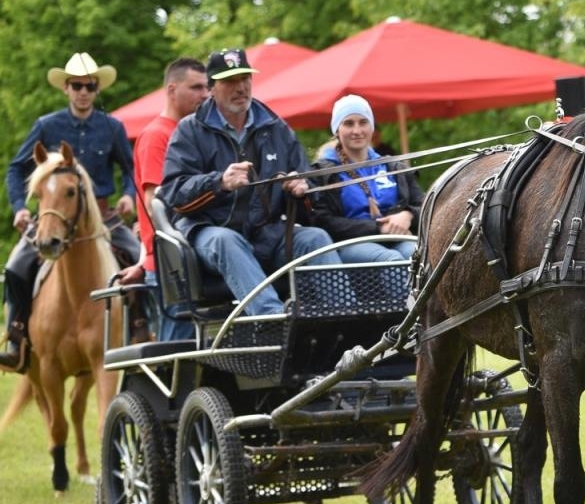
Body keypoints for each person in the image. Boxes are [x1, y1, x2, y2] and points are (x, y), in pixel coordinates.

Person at [158, 48, 343, 317]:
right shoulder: (190, 130)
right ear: (212, 87)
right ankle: (272, 320)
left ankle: (346, 319)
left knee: (315, 238)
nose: (241, 87)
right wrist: (219, 182)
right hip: (211, 231)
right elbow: (174, 194)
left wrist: (302, 189)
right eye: (230, 81)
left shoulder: (276, 127)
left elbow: (309, 191)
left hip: (267, 233)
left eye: (245, 78)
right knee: (227, 241)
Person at [1, 52, 140, 370]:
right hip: (53, 217)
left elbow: (131, 169)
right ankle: (16, 336)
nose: (83, 92)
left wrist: (130, 196)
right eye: (77, 85)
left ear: (96, 89)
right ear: (66, 87)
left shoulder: (112, 126)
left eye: (90, 86)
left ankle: (141, 329)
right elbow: (15, 168)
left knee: (138, 259)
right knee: (15, 267)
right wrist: (20, 208)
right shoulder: (46, 126)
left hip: (102, 217)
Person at [113, 57, 210, 340]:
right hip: (172, 265)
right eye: (196, 87)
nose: (204, 94)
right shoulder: (157, 135)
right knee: (176, 354)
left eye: (206, 87)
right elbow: (156, 204)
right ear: (171, 89)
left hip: (190, 258)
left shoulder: (191, 133)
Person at [306, 94, 419, 263]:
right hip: (351, 244)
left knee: (418, 254)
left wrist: (408, 215)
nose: (357, 131)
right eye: (348, 123)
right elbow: (323, 221)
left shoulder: (392, 166)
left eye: (363, 122)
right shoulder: (323, 173)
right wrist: (378, 228)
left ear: (372, 127)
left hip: (397, 239)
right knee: (391, 260)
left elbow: (424, 204)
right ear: (337, 129)